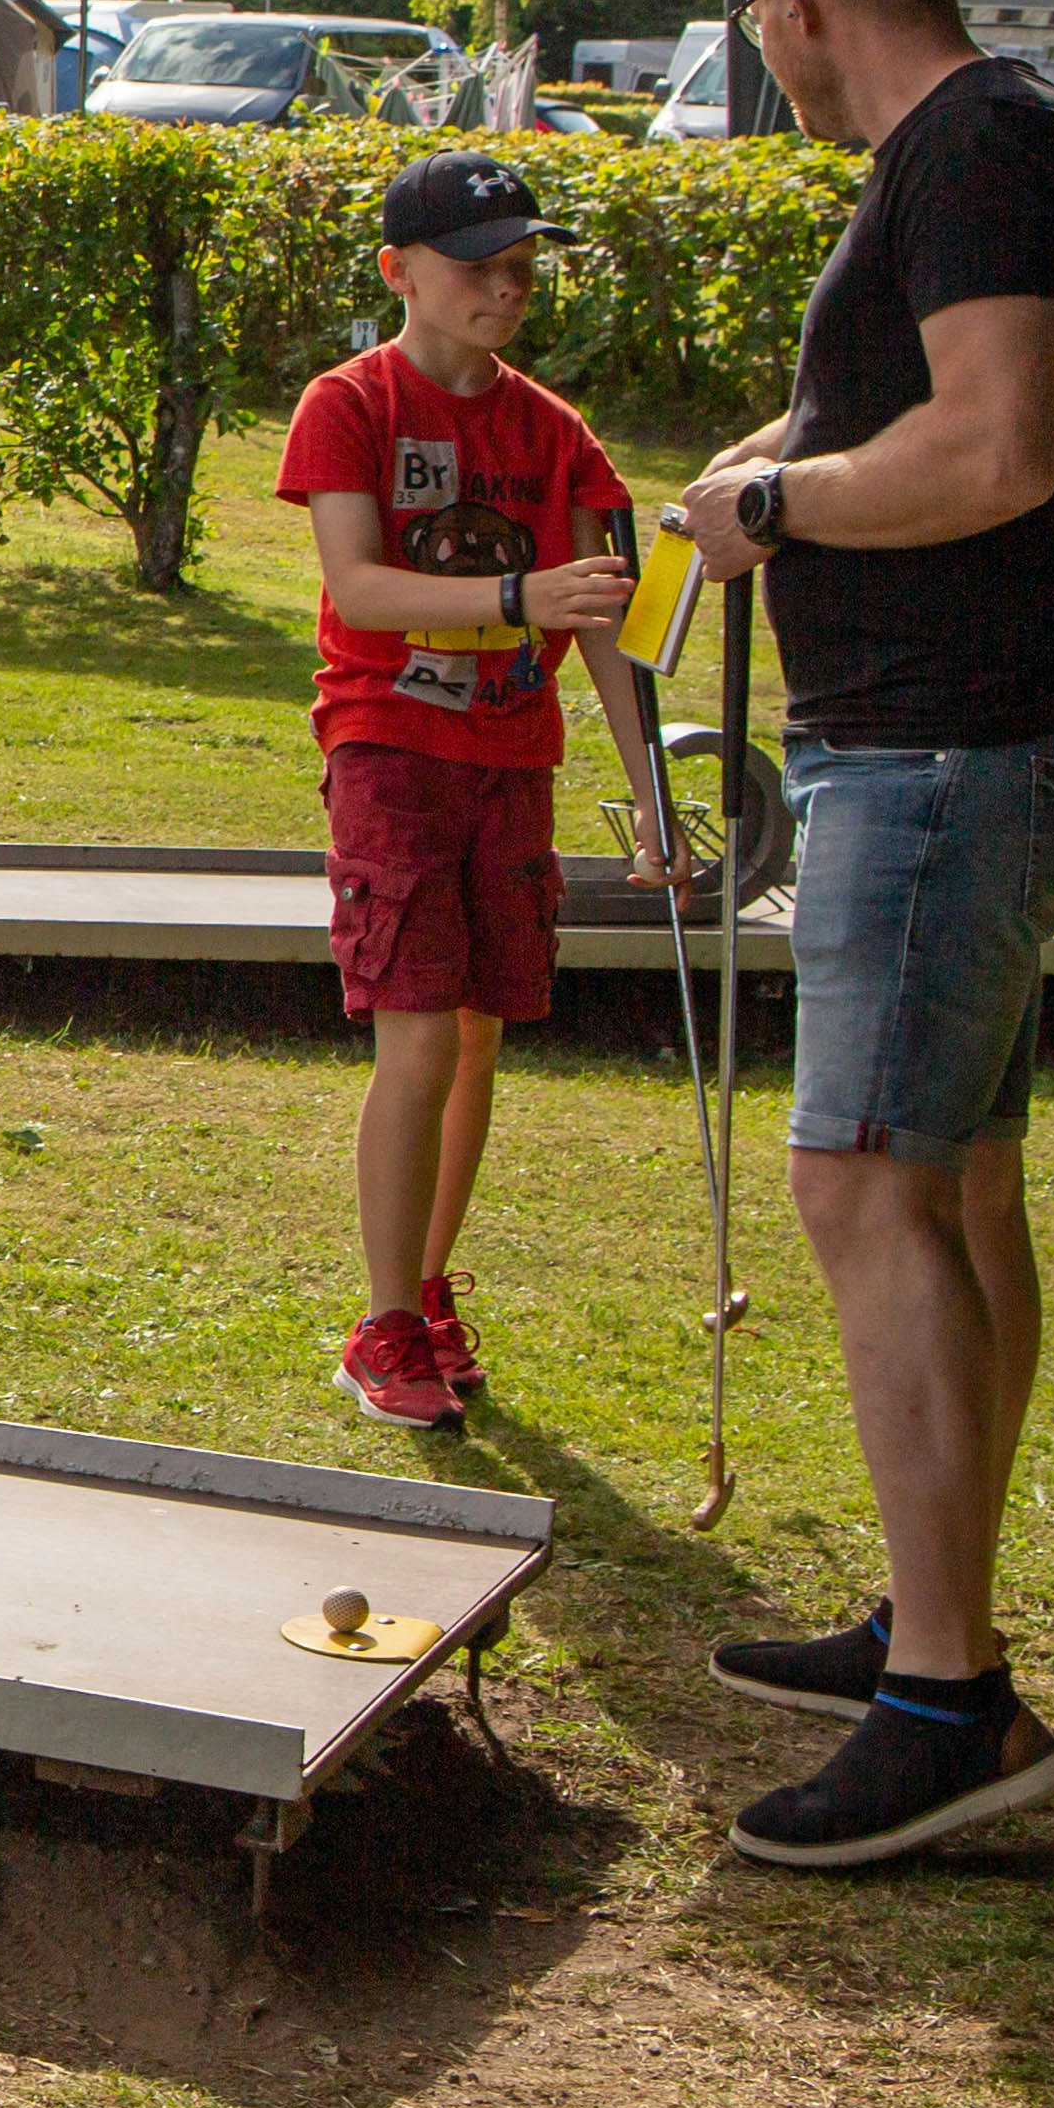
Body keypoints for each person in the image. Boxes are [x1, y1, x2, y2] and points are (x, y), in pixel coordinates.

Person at [680, 0, 1054, 1871]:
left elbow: (991, 444)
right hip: (966, 740)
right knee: (945, 1184)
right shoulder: (974, 152)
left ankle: (945, 1700)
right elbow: (911, 406)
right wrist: (772, 455)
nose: (752, 31)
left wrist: (771, 521)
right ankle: (924, 1610)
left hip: (939, 751)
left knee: (857, 1183)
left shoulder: (965, 155)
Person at [277, 147, 667, 1431]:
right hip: (388, 744)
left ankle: (427, 1287)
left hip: (512, 759)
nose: (505, 289)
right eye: (476, 266)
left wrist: (653, 792)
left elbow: (608, 623)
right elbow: (360, 588)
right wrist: (513, 598)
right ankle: (380, 1323)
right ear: (398, 270)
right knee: (421, 1028)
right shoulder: (350, 403)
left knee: (481, 1035)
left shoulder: (554, 433)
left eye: (520, 267)